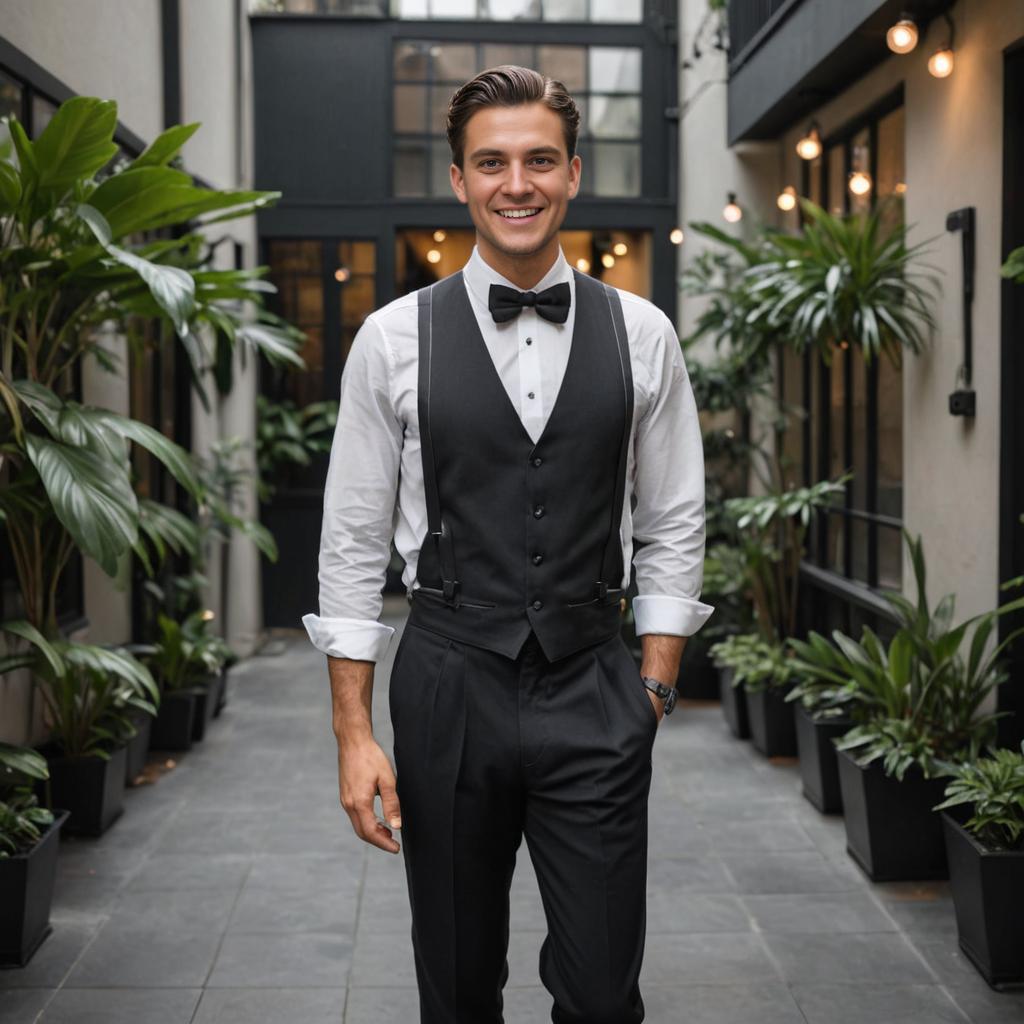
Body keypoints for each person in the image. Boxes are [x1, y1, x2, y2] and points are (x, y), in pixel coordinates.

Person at [303, 64, 713, 1024]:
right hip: (448, 682)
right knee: (454, 986)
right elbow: (353, 540)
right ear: (458, 179)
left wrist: (651, 685)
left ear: (573, 173)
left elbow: (673, 516)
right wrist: (353, 734)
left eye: (538, 160)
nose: (515, 183)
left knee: (606, 996)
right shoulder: (392, 338)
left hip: (594, 683)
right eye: (491, 162)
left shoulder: (643, 334)